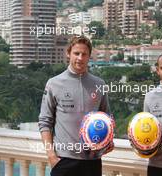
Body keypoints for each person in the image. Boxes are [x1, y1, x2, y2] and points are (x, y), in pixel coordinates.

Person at [38, 36, 112, 176]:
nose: (80, 58)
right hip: (63, 161)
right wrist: (51, 156)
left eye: (84, 54)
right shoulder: (54, 83)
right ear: (68, 53)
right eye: (76, 53)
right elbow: (45, 122)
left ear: (89, 56)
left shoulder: (100, 84)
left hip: (92, 161)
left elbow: (107, 118)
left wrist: (108, 141)